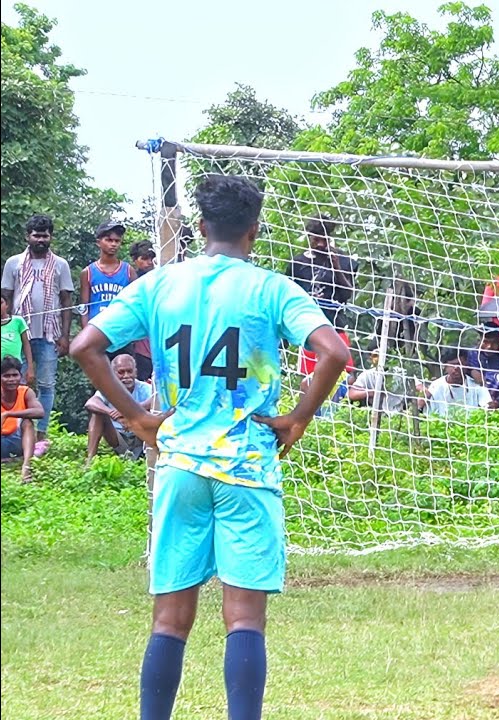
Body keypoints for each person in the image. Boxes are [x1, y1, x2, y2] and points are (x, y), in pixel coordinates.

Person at [70, 174, 349, 720]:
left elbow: (85, 346)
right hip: (245, 464)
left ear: (200, 228)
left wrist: (137, 417)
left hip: (179, 465)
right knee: (244, 617)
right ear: (255, 231)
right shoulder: (271, 288)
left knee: (169, 620)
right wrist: (298, 417)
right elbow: (334, 352)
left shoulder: (160, 285)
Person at [1, 214, 75, 447]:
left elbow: (66, 301)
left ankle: (40, 435)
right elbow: (6, 296)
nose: (41, 239)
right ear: (28, 237)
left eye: (45, 235)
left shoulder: (60, 264)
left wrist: (65, 336)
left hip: (48, 334)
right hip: (16, 335)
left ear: (50, 237)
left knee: (45, 385)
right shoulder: (14, 263)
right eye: (36, 235)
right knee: (14, 382)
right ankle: (12, 433)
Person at [287, 215, 356, 377]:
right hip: (308, 332)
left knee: (343, 378)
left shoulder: (345, 261)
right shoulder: (298, 264)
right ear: (309, 237)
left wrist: (336, 267)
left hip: (335, 328)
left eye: (324, 240)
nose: (320, 245)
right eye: (316, 240)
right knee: (310, 381)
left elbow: (347, 294)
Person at [85, 354, 153, 462]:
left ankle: (151, 455)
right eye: (121, 372)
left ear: (135, 372)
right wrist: (111, 413)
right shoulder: (109, 388)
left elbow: (157, 400)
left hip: (141, 436)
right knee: (97, 414)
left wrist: (129, 412)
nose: (126, 376)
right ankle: (89, 460)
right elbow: (90, 403)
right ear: (113, 374)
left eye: (129, 371)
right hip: (117, 437)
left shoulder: (145, 388)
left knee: (154, 412)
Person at [79, 221, 136, 334]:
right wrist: (86, 333)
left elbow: (135, 304)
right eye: (109, 240)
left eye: (117, 241)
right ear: (98, 242)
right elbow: (84, 307)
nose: (113, 244)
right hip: (96, 332)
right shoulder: (88, 272)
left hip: (121, 332)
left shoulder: (129, 271)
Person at [1, 355, 44, 482]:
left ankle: (26, 467)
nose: (11, 380)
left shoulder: (25, 392)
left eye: (15, 375)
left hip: (17, 440)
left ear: (20, 376)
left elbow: (39, 412)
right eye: (6, 376)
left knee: (27, 422)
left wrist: (8, 414)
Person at [420, 349, 494, 416]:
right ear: (445, 366)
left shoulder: (476, 384)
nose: (456, 368)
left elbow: (487, 408)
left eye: (459, 364)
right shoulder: (436, 387)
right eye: (452, 365)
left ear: (466, 364)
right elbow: (430, 415)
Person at [129, 241, 158, 381]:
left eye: (152, 258)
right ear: (135, 260)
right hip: (140, 342)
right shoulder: (132, 280)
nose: (149, 263)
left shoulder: (161, 277)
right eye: (144, 259)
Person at [1, 295, 35, 386]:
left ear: (7, 305)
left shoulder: (18, 321)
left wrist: (30, 367)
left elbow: (26, 344)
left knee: (18, 391)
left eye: (1, 303)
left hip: (16, 366)